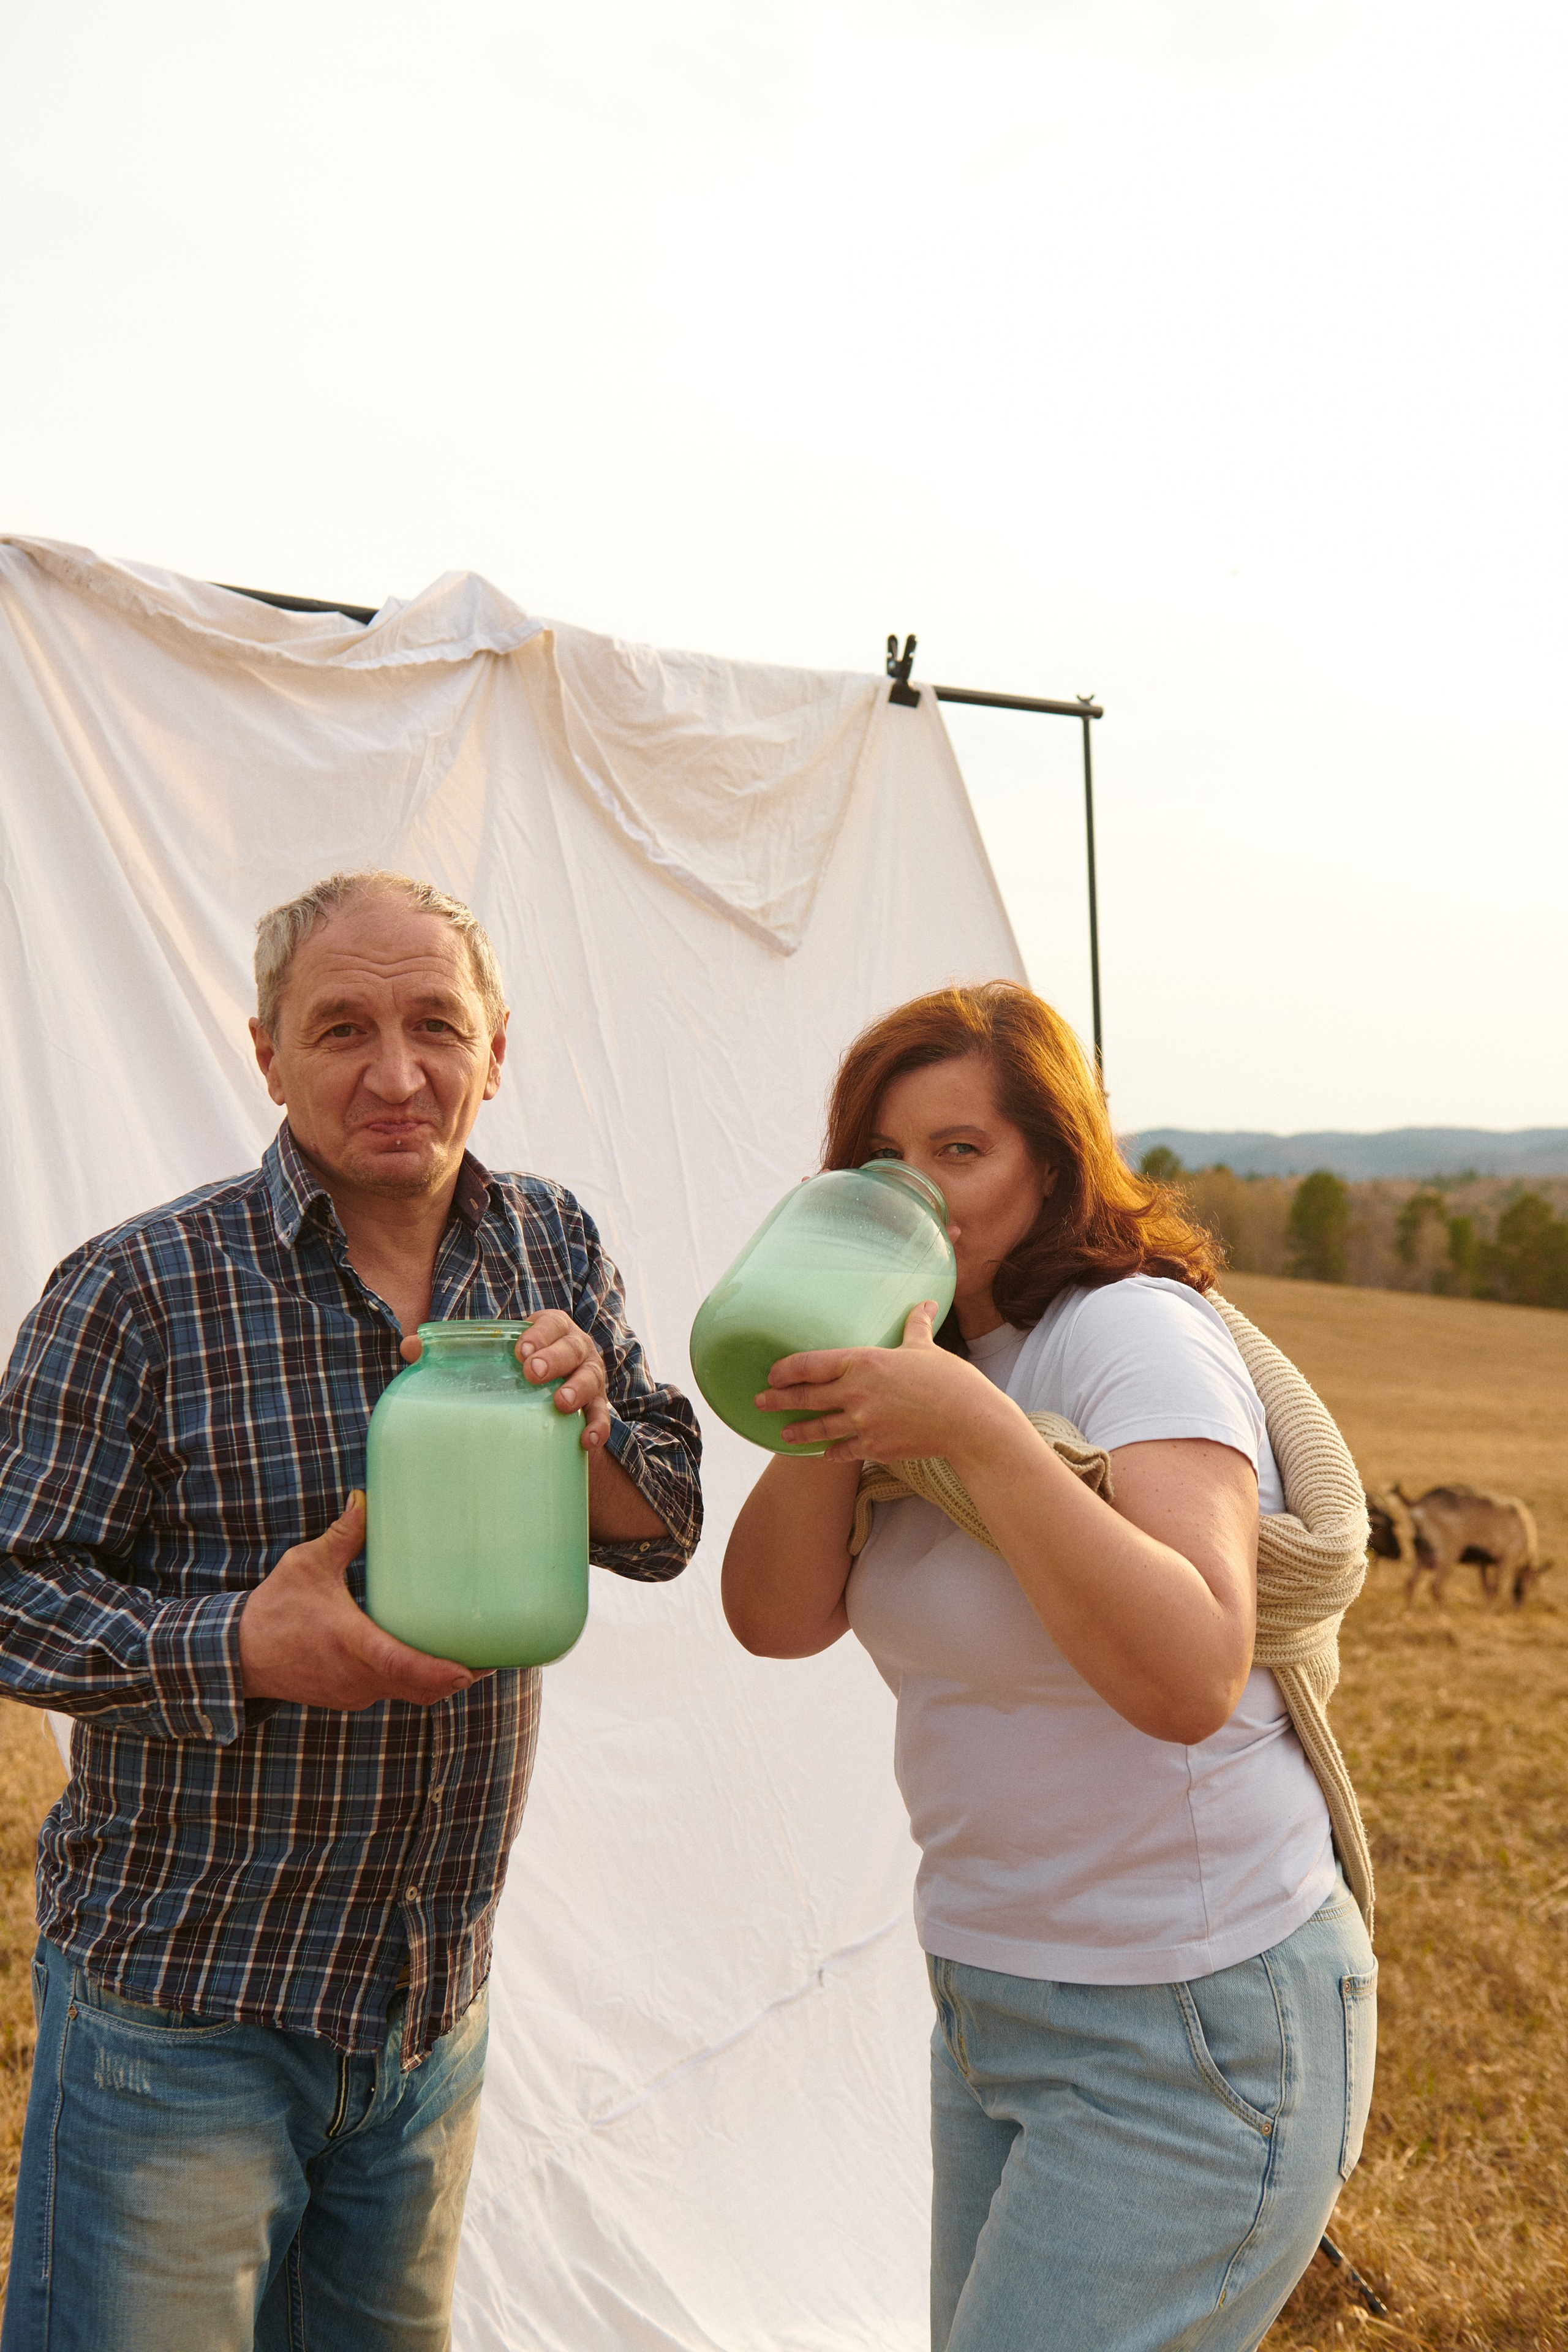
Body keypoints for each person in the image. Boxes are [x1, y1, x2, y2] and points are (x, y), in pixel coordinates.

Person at [0, 870, 703, 2352]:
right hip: (182, 2014)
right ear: (264, 1052)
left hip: (428, 2011)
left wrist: (591, 1441)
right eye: (341, 1030)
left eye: (436, 1025)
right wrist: (242, 1645)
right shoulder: (139, 1289)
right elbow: (14, 1591)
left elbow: (666, 1517)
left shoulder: (550, 1250)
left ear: (495, 1047)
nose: (397, 1074)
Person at [722, 982, 1375, 2352]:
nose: (924, 1193)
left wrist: (980, 1434)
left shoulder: (1124, 1332)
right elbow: (776, 1619)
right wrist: (821, 1399)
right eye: (881, 1166)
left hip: (1188, 2020)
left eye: (960, 1152)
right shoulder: (924, 1357)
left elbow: (1191, 1671)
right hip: (994, 2000)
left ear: (1051, 1160)